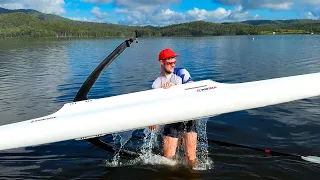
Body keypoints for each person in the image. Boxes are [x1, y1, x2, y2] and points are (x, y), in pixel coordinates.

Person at [149, 48, 197, 167]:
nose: (173, 64)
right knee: (168, 161)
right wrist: (153, 119)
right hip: (172, 120)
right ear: (161, 62)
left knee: (191, 159)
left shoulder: (181, 72)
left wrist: (175, 87)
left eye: (174, 62)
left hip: (188, 116)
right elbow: (156, 104)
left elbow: (192, 86)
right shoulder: (156, 84)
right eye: (170, 62)